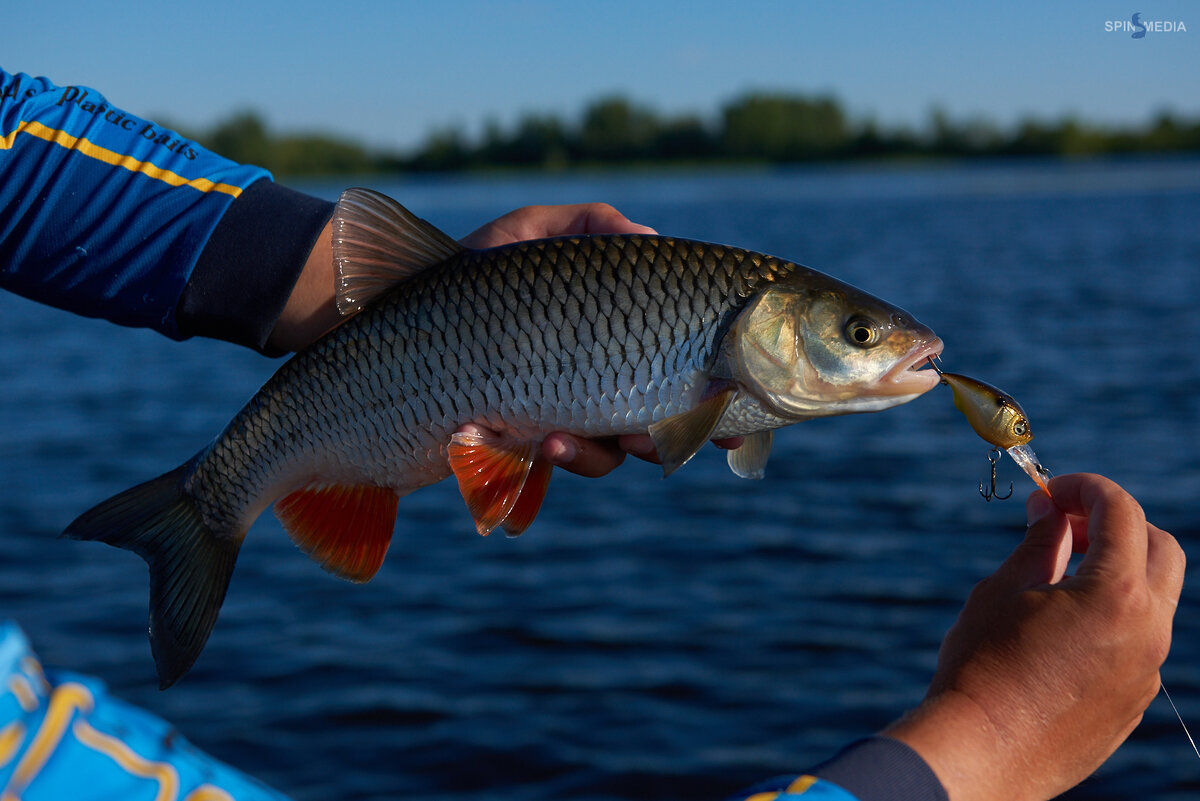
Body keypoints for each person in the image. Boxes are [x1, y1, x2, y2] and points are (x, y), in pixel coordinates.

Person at [0, 68, 1185, 801]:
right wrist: (991, 746)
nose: (892, 349)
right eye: (854, 332)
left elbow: (20, 148)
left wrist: (334, 275)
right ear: (768, 329)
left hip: (392, 349)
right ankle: (203, 514)